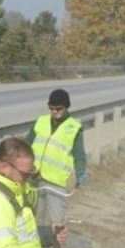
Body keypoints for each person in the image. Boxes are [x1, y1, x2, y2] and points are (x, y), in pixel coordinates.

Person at [26, 88, 87, 226]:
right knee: (34, 219)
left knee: (56, 222)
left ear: (66, 107)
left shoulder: (74, 128)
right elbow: (26, 145)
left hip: (55, 182)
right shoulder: (40, 121)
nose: (54, 112)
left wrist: (80, 171)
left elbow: (79, 155)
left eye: (58, 109)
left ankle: (56, 247)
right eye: (51, 108)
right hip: (34, 178)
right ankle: (37, 246)